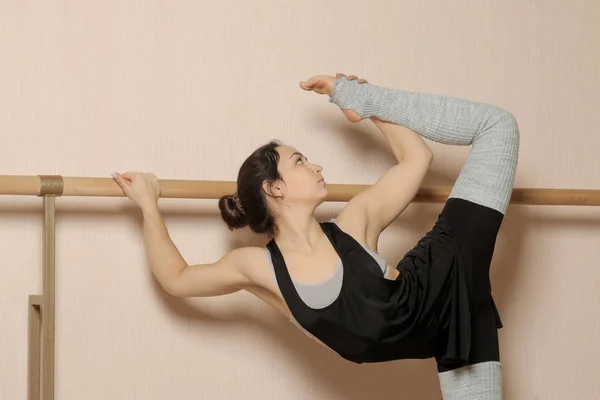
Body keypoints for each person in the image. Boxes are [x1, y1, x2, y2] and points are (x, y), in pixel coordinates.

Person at [112, 72, 519, 400]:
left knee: (497, 126)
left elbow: (417, 159)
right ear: (275, 188)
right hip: (448, 332)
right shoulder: (259, 267)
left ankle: (368, 97)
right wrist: (148, 205)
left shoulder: (354, 223)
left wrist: (365, 101)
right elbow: (176, 278)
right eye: (300, 161)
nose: (317, 166)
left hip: (444, 274)